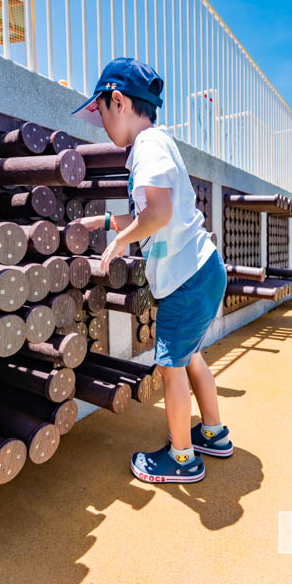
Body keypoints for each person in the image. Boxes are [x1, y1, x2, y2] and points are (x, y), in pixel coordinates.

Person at [73, 57, 231, 484]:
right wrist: (106, 224)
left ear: (118, 102)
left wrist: (120, 242)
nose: (101, 123)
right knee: (190, 356)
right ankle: (213, 434)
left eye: (101, 112)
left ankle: (182, 458)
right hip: (202, 270)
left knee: (170, 366)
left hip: (186, 281)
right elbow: (150, 213)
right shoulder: (157, 144)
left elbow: (156, 215)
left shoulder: (148, 148)